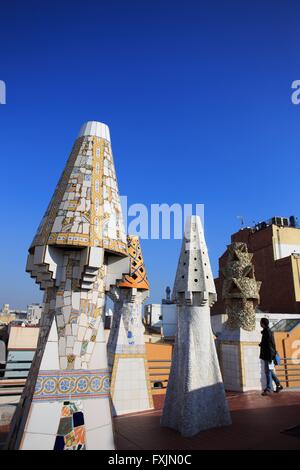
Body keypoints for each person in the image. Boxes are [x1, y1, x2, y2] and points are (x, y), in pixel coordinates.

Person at [259, 317, 283, 396]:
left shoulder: (267, 332)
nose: (260, 323)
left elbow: (270, 346)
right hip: (269, 356)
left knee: (268, 372)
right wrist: (262, 344)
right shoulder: (267, 332)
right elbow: (268, 344)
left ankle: (268, 389)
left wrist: (270, 358)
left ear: (263, 323)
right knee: (270, 371)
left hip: (268, 356)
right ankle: (278, 385)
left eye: (260, 322)